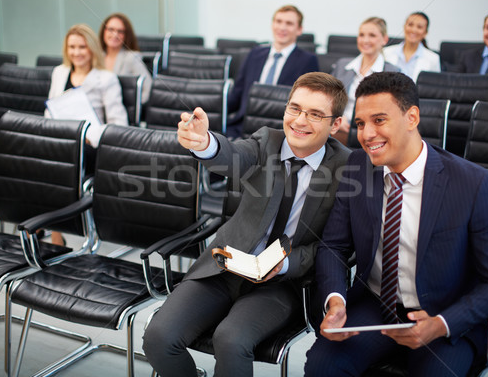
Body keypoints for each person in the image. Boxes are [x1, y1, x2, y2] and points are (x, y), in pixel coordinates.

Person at [304, 72, 488, 377]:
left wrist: (441, 324)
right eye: (362, 123)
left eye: (379, 120)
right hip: (376, 306)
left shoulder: (474, 184)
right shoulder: (357, 167)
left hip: (445, 315)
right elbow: (333, 246)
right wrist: (335, 301)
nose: (366, 135)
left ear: (412, 117)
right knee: (321, 368)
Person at [142, 72, 351, 377]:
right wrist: (205, 143)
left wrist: (284, 265)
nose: (300, 121)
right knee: (159, 337)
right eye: (294, 108)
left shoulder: (347, 167)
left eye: (316, 114)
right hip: (226, 266)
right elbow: (231, 157)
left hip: (283, 283)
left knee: (231, 340)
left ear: (335, 124)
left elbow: (334, 246)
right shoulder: (267, 141)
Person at [47, 24, 128, 245]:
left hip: (90, 145)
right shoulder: (59, 72)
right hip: (61, 139)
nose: (76, 52)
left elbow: (119, 125)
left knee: (50, 165)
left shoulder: (106, 78)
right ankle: (49, 228)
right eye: (71, 47)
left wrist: (88, 135)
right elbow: (49, 111)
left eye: (82, 47)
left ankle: (54, 232)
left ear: (92, 48)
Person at [226, 5, 319, 138]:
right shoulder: (254, 54)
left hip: (280, 130)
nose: (282, 27)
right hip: (242, 127)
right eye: (278, 21)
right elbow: (237, 94)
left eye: (289, 23)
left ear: (299, 30)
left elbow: (308, 103)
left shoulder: (308, 60)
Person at [331, 17, 400, 143]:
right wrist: (337, 117)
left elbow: (392, 113)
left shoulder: (393, 72)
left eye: (372, 35)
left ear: (384, 39)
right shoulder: (342, 65)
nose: (365, 40)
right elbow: (328, 99)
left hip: (373, 134)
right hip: (340, 130)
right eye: (362, 35)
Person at [99, 12, 152, 103]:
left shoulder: (131, 58)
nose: (115, 35)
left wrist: (135, 108)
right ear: (104, 31)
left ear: (126, 36)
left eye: (120, 31)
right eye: (110, 29)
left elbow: (148, 88)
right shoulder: (97, 57)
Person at [384, 12, 441, 82]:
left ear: (425, 33)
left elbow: (433, 88)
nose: (413, 30)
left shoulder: (433, 59)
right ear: (404, 27)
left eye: (419, 27)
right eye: (410, 25)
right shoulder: (385, 53)